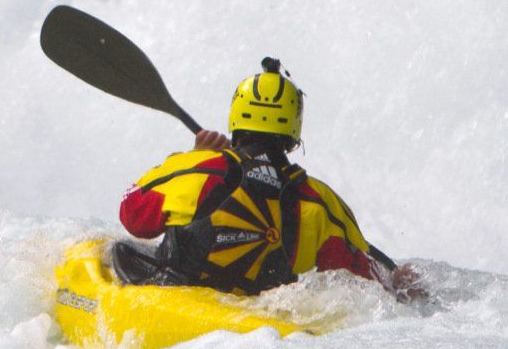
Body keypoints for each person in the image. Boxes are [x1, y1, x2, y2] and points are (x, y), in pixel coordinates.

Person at [113, 58, 422, 300]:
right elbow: (365, 279)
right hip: (262, 332)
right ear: (293, 130)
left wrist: (193, 156)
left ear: (236, 116)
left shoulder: (201, 168)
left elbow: (132, 214)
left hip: (179, 303)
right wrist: (397, 281)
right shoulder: (319, 201)